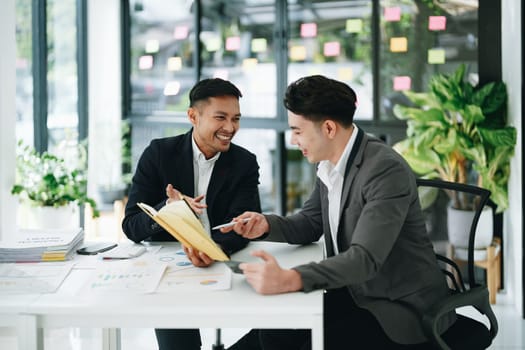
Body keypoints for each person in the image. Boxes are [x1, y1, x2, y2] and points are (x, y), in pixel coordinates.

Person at [223, 75, 456, 349]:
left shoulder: (384, 170)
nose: (293, 140)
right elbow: (310, 222)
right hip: (353, 293)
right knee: (271, 333)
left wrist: (293, 277)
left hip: (397, 309)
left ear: (329, 128)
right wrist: (265, 225)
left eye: (298, 131)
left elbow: (364, 259)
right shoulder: (330, 163)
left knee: (290, 341)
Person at [122, 78, 262, 350]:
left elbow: (243, 222)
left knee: (277, 332)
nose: (230, 128)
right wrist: (167, 209)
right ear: (192, 116)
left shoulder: (244, 162)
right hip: (171, 271)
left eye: (236, 118)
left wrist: (213, 247)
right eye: (220, 117)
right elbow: (131, 227)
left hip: (223, 262)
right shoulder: (159, 154)